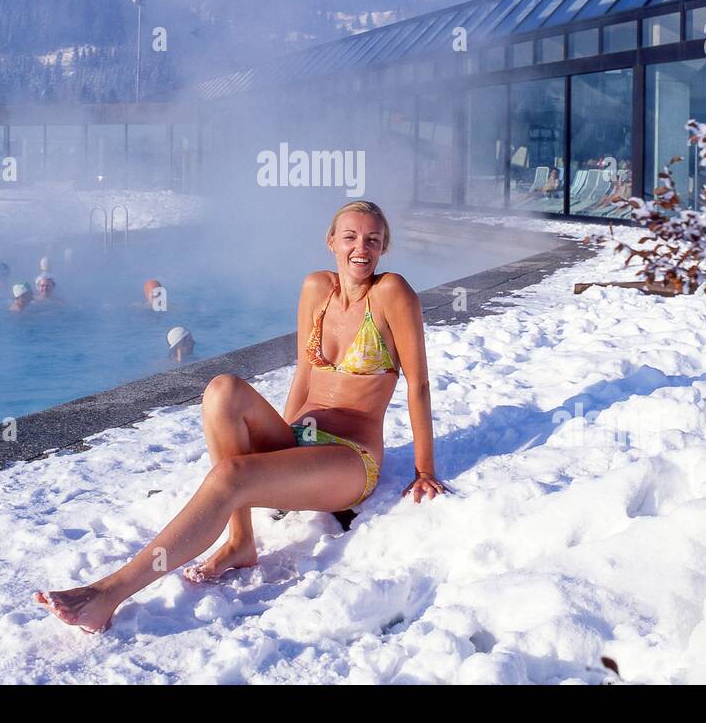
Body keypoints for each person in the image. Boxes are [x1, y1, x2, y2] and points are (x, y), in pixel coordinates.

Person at [36, 200, 445, 634]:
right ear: (331, 242)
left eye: (373, 240)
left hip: (349, 458)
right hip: (303, 440)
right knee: (222, 389)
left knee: (231, 477)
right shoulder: (315, 289)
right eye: (350, 237)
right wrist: (285, 450)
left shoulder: (392, 293)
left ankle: (108, 593)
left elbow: (417, 385)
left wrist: (425, 469)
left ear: (384, 249)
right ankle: (240, 539)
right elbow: (304, 373)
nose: (361, 248)